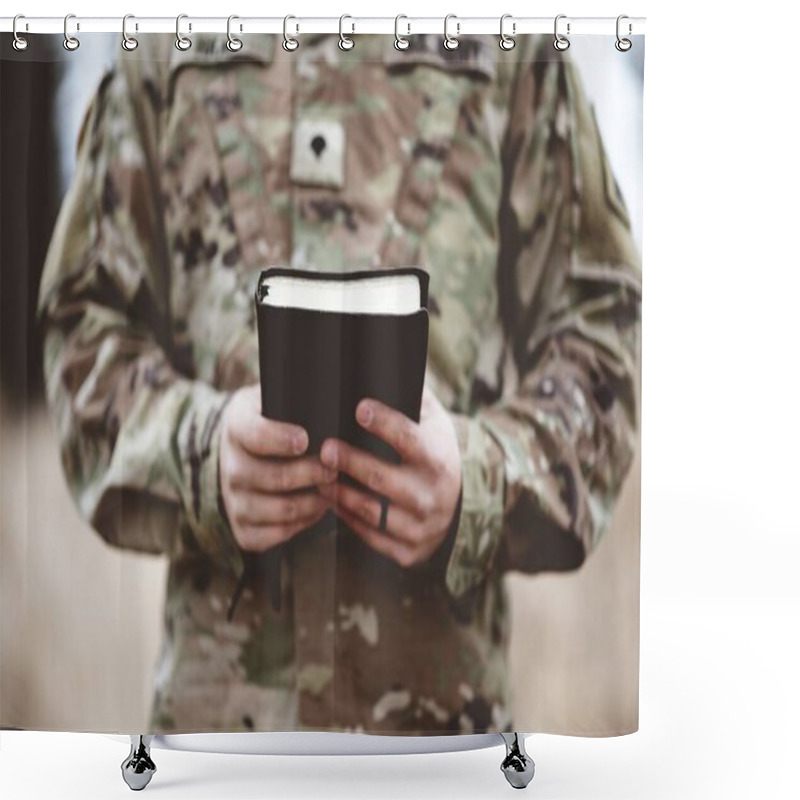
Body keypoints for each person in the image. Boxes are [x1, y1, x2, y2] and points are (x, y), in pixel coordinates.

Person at [38, 31, 641, 735]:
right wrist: (200, 455)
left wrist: (477, 481)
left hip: (438, 744)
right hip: (221, 745)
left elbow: (602, 329)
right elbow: (82, 322)